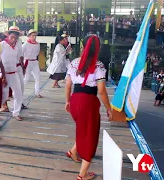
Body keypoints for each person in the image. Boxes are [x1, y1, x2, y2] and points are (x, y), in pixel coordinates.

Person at [65, 35, 112, 180]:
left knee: (83, 130)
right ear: (98, 49)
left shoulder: (74, 63)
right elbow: (102, 91)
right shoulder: (99, 66)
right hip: (88, 103)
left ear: (83, 46)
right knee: (90, 136)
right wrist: (109, 108)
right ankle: (82, 174)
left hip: (75, 101)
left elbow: (68, 85)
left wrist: (67, 102)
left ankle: (73, 151)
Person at [1, 26, 24, 121]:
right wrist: (2, 75)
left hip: (14, 72)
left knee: (18, 93)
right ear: (8, 36)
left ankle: (16, 113)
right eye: (12, 37)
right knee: (4, 95)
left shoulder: (17, 46)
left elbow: (19, 58)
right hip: (4, 73)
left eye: (16, 38)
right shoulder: (2, 44)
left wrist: (22, 67)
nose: (13, 39)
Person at [23, 29, 42, 98]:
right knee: (26, 78)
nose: (34, 37)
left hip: (34, 62)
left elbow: (37, 53)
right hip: (27, 62)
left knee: (38, 77)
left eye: (35, 36)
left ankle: (37, 92)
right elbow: (21, 54)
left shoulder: (38, 44)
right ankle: (19, 91)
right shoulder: (25, 44)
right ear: (29, 36)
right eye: (33, 35)